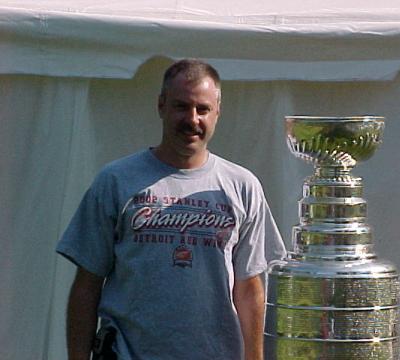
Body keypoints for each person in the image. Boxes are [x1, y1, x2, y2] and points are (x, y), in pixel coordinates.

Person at [56, 58, 286, 360]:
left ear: (217, 112)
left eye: (202, 109)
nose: (192, 119)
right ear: (161, 106)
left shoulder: (242, 186)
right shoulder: (116, 181)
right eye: (181, 106)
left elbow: (248, 288)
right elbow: (87, 285)